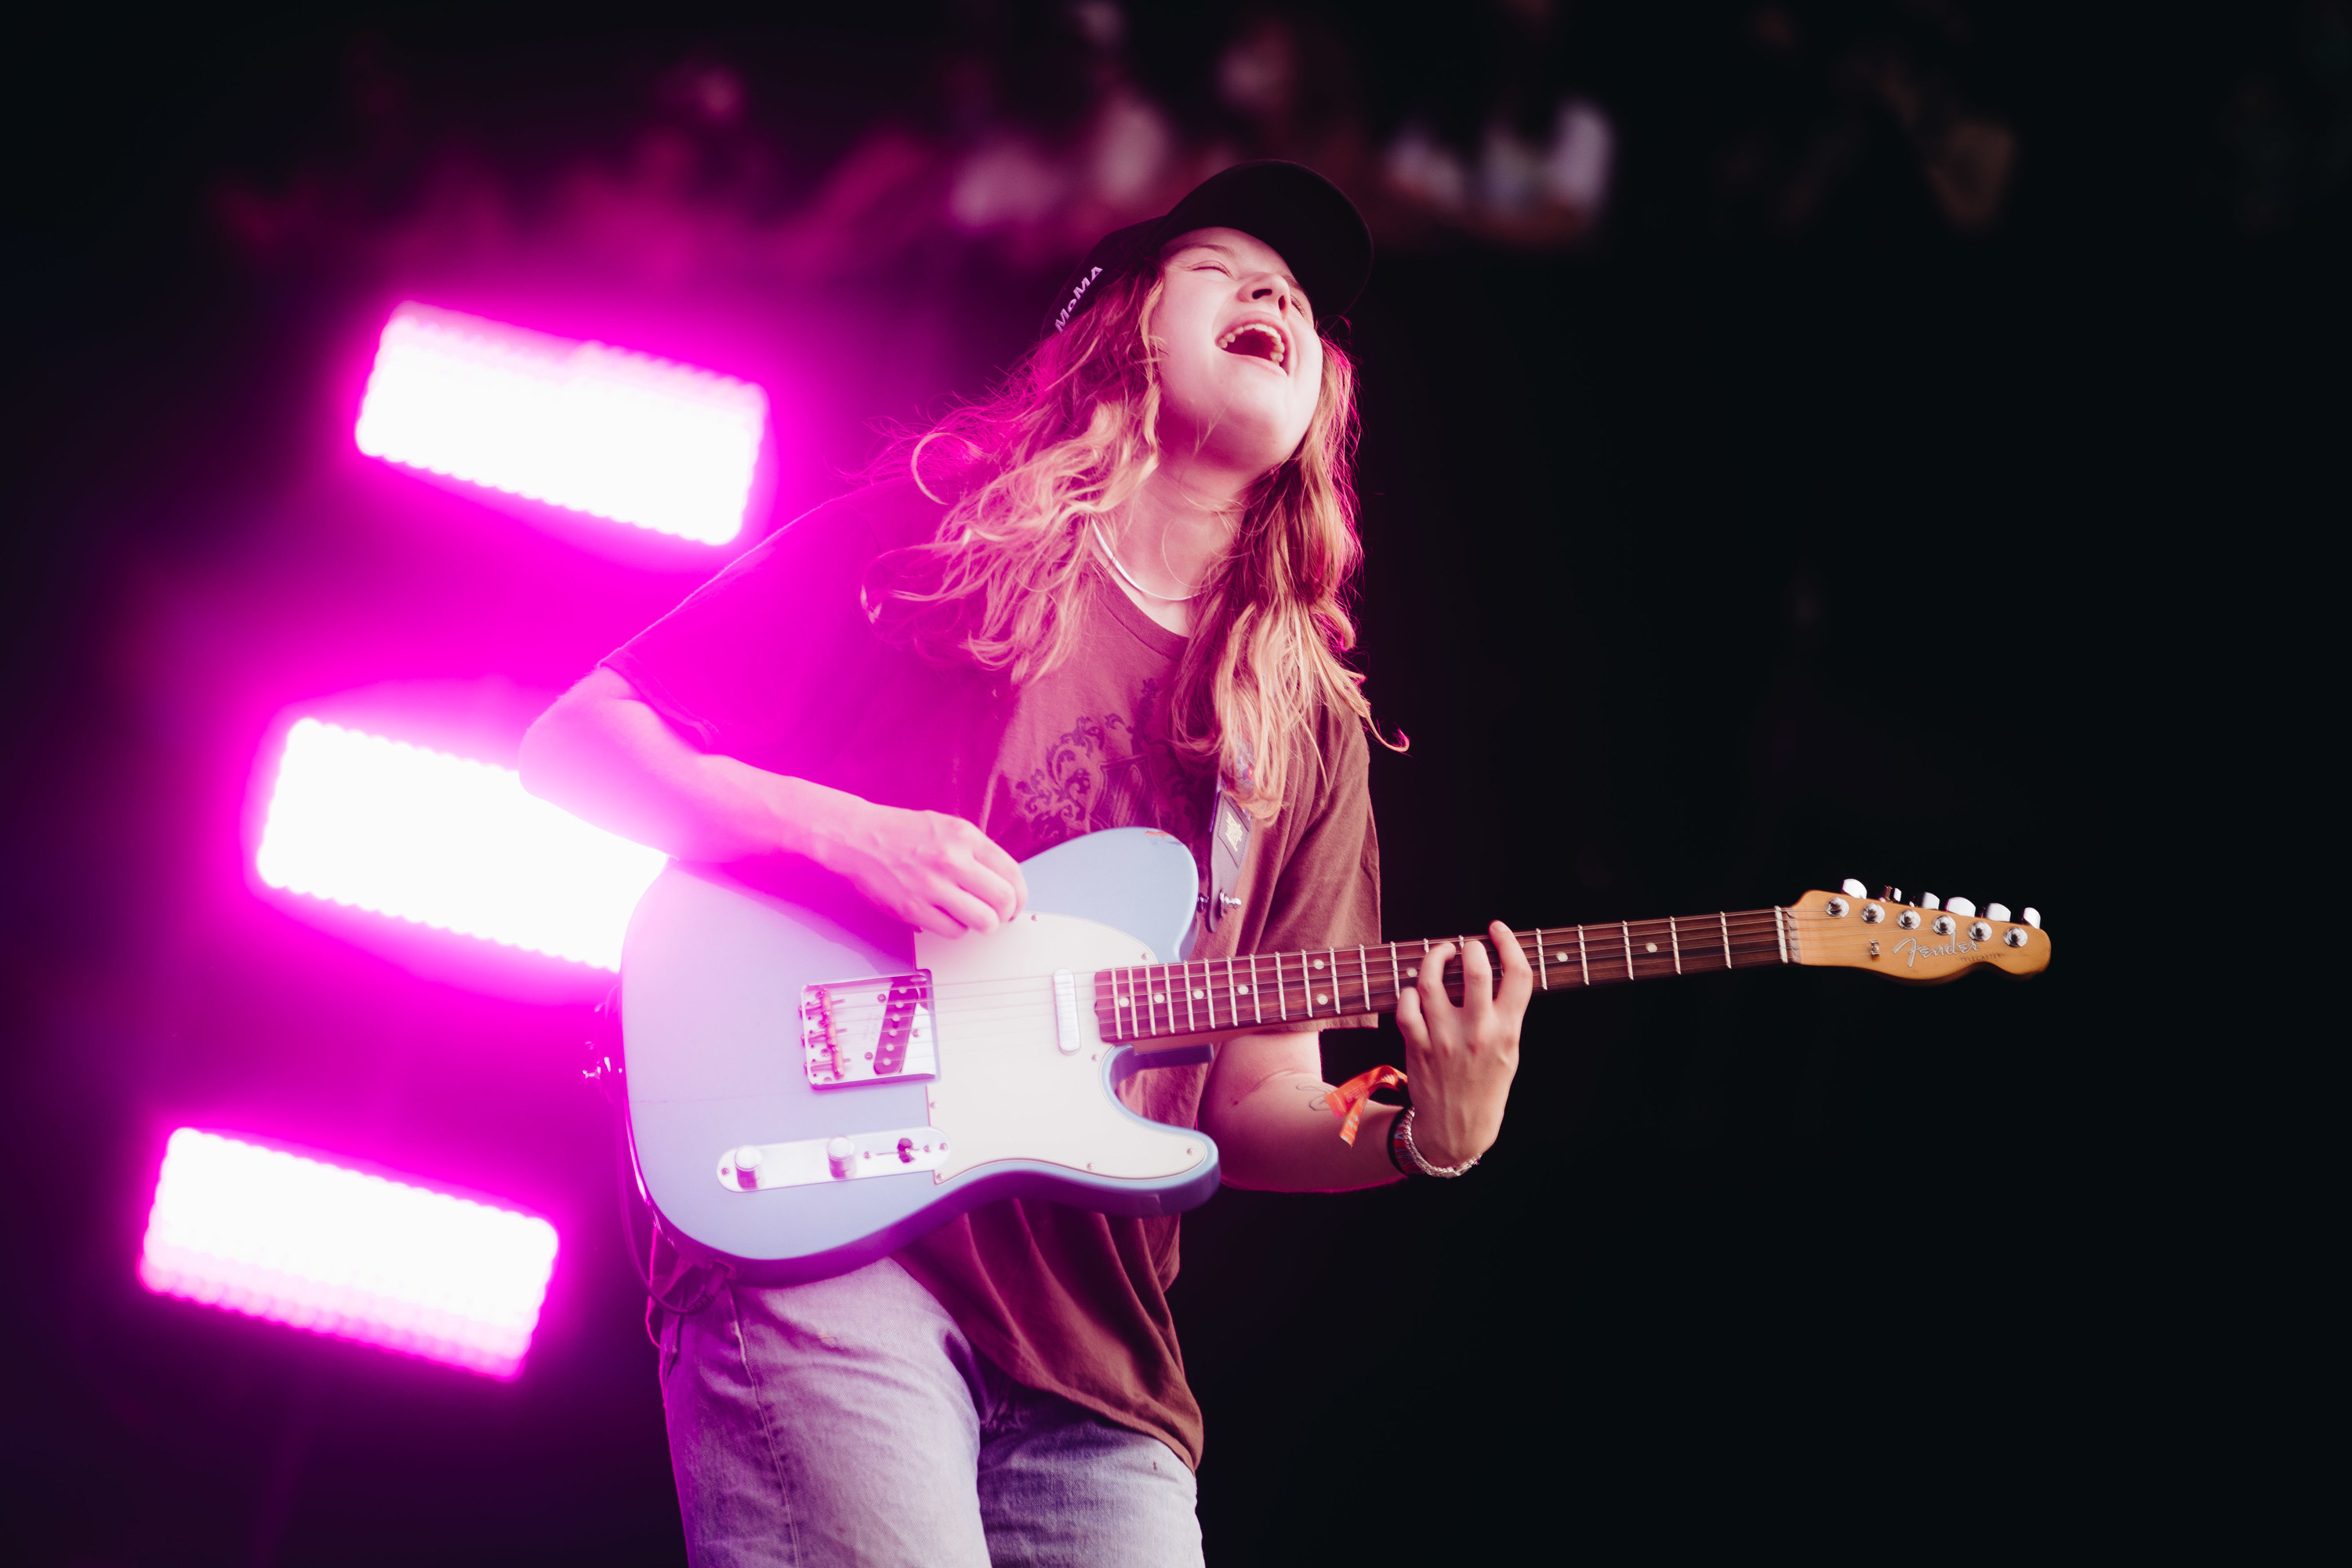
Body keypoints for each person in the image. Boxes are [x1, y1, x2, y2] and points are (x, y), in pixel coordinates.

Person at [520, 160, 1532, 1568]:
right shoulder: (949, 534)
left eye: (1297, 299)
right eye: (1221, 269)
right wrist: (846, 832)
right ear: (1122, 325)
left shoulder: (1304, 733)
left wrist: (1432, 1132)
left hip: (1102, 1363)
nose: (1273, 298)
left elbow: (1257, 1101)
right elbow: (576, 743)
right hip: (833, 1233)